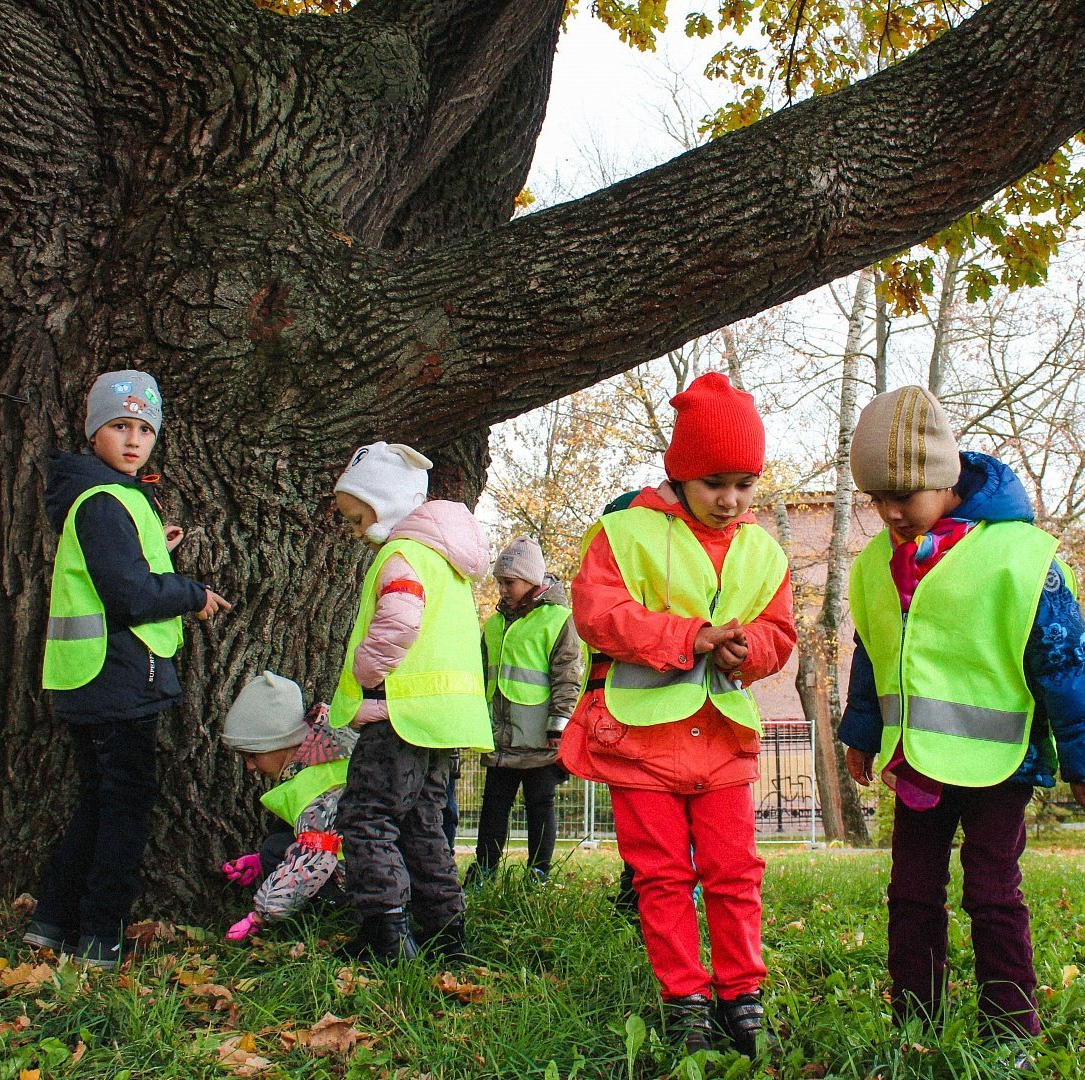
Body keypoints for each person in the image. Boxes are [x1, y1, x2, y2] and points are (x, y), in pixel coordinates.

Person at [838, 385, 1085, 1042]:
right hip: (919, 763)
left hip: (1000, 762)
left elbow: (1067, 661)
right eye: (877, 501)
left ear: (944, 479)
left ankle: (1012, 1030)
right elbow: (874, 649)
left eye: (902, 497)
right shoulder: (880, 562)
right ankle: (915, 1021)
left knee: (992, 894)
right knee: (910, 894)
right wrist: (862, 732)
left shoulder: (1021, 558)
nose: (889, 514)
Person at [560, 372, 797, 1057]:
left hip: (722, 737)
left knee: (734, 870)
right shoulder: (623, 532)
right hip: (640, 735)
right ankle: (684, 997)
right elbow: (600, 615)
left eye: (744, 484)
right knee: (661, 876)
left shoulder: (765, 550)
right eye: (714, 482)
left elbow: (779, 634)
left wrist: (746, 652)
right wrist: (691, 637)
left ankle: (741, 995)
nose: (730, 500)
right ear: (681, 473)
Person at [24, 369, 230, 970]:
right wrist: (190, 592)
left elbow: (119, 572)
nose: (134, 439)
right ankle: (99, 936)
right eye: (119, 426)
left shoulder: (110, 496)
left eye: (145, 428)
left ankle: (54, 920)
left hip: (97, 676)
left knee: (97, 802)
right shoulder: (105, 500)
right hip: (114, 680)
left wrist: (154, 554)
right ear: (94, 434)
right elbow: (129, 594)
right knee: (124, 811)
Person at [326, 442, 493, 963]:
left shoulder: (401, 555)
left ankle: (386, 934)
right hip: (442, 720)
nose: (355, 531)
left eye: (358, 518)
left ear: (387, 503)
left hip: (400, 713)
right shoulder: (446, 560)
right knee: (424, 825)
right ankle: (447, 932)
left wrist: (366, 672)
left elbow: (400, 620)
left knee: (367, 817)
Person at [468, 535, 583, 883]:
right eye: (499, 582)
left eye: (509, 582)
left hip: (540, 737)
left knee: (540, 807)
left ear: (532, 581)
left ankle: (538, 872)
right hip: (501, 735)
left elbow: (567, 676)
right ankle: (485, 868)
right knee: (493, 807)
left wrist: (558, 726)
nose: (502, 589)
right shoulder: (493, 624)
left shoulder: (559, 620)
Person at [219, 672, 356, 940]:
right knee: (276, 844)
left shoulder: (314, 788)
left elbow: (314, 859)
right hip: (374, 870)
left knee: (276, 848)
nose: (249, 766)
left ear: (280, 743)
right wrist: (260, 863)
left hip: (358, 886)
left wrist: (259, 916)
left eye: (253, 755)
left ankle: (322, 926)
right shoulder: (329, 757)